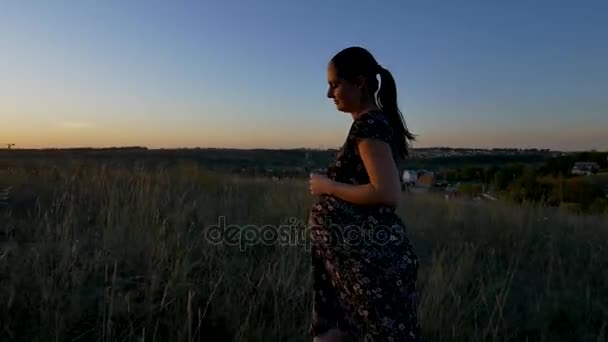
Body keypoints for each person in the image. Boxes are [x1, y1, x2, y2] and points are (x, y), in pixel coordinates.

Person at [307, 46, 420, 341]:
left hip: (369, 263)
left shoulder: (369, 124)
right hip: (351, 261)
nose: (329, 94)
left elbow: (387, 193)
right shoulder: (370, 123)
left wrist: (327, 187)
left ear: (358, 82)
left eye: (334, 85)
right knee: (335, 333)